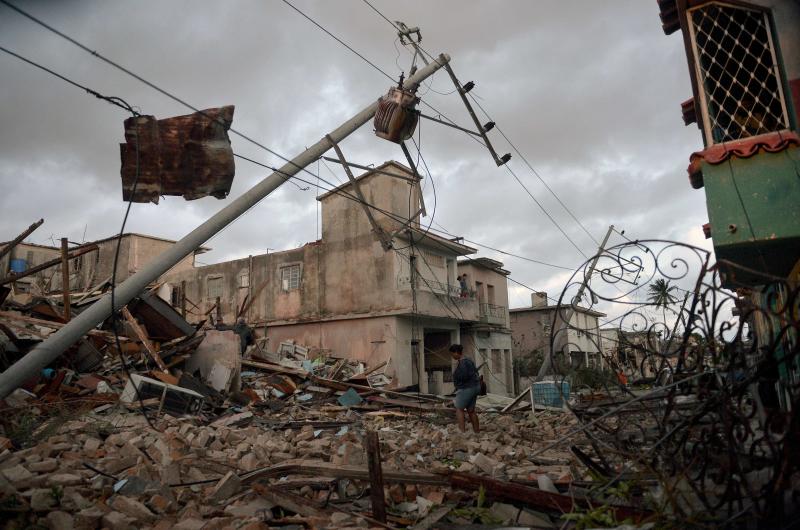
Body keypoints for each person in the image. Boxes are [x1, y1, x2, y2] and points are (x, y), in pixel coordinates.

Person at [449, 344, 480, 433]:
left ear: (456, 352)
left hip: (467, 388)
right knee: (471, 410)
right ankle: (477, 431)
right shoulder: (469, 360)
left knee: (459, 409)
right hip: (475, 387)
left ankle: (462, 432)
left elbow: (463, 376)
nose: (452, 356)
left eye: (452, 354)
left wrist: (457, 380)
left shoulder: (463, 363)